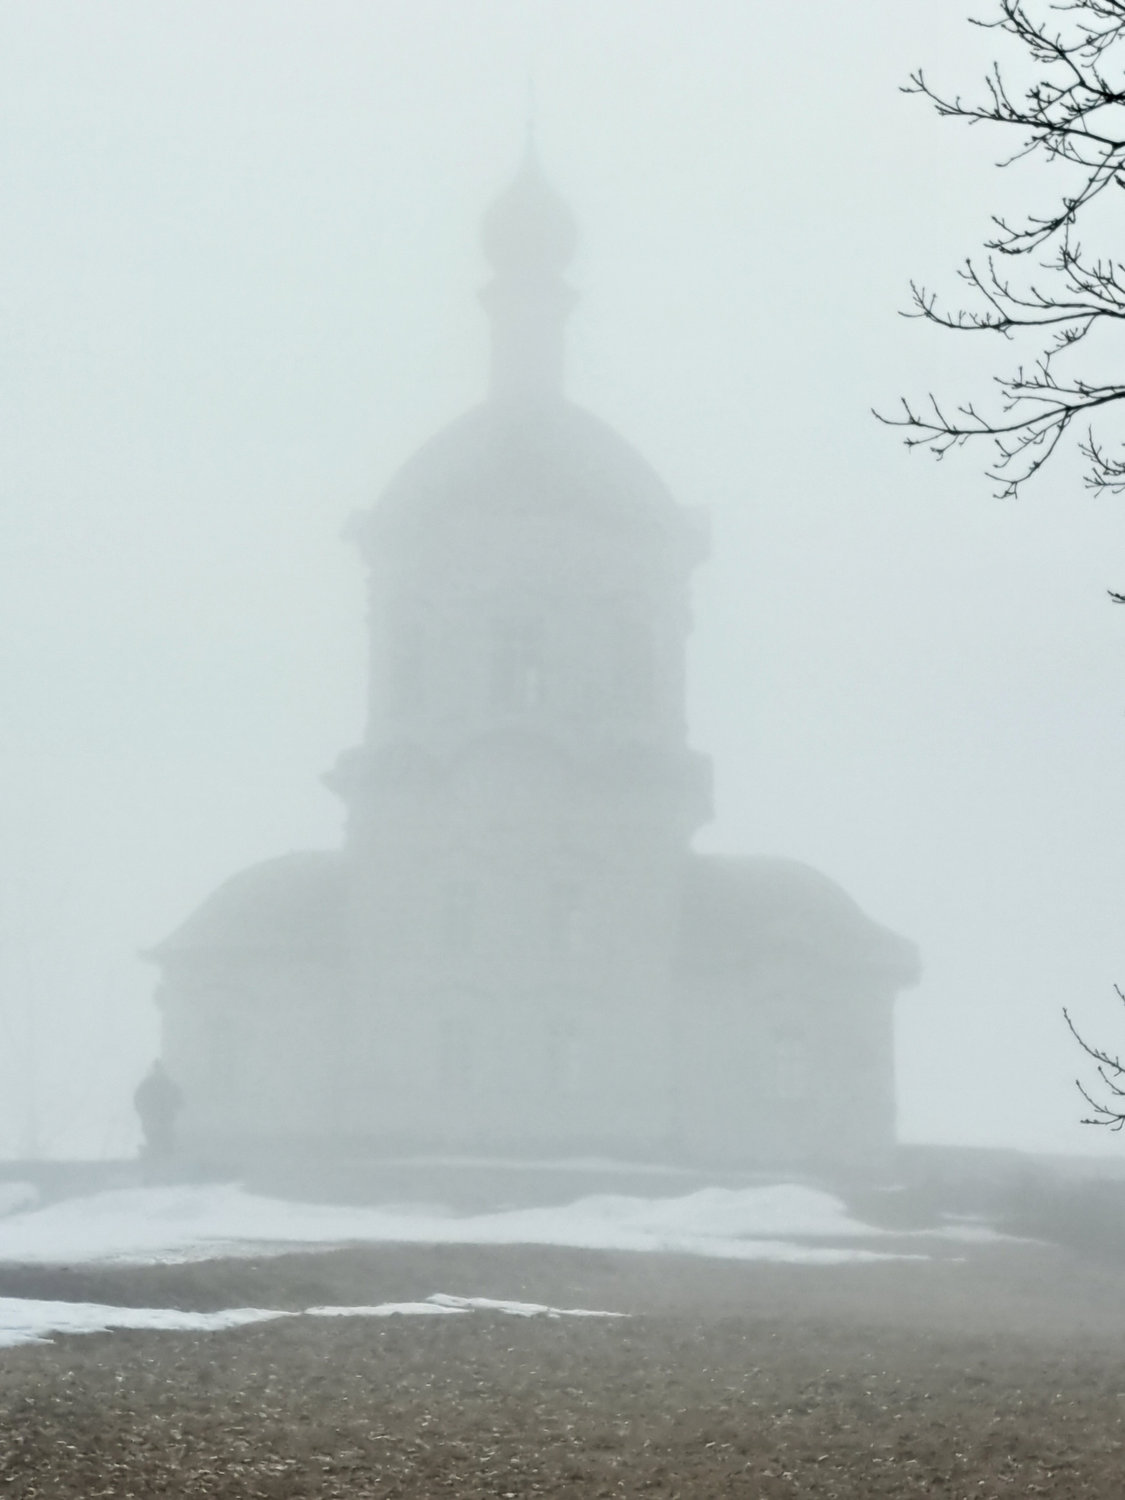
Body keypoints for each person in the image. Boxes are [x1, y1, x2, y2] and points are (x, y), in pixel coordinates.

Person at [133, 1059, 183, 1162]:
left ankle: (161, 1155)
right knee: (157, 1137)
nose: (158, 1072)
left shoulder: (167, 1084)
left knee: (161, 1137)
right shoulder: (165, 1083)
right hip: (155, 1118)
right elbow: (138, 1100)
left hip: (162, 1118)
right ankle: (160, 1156)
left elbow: (179, 1100)